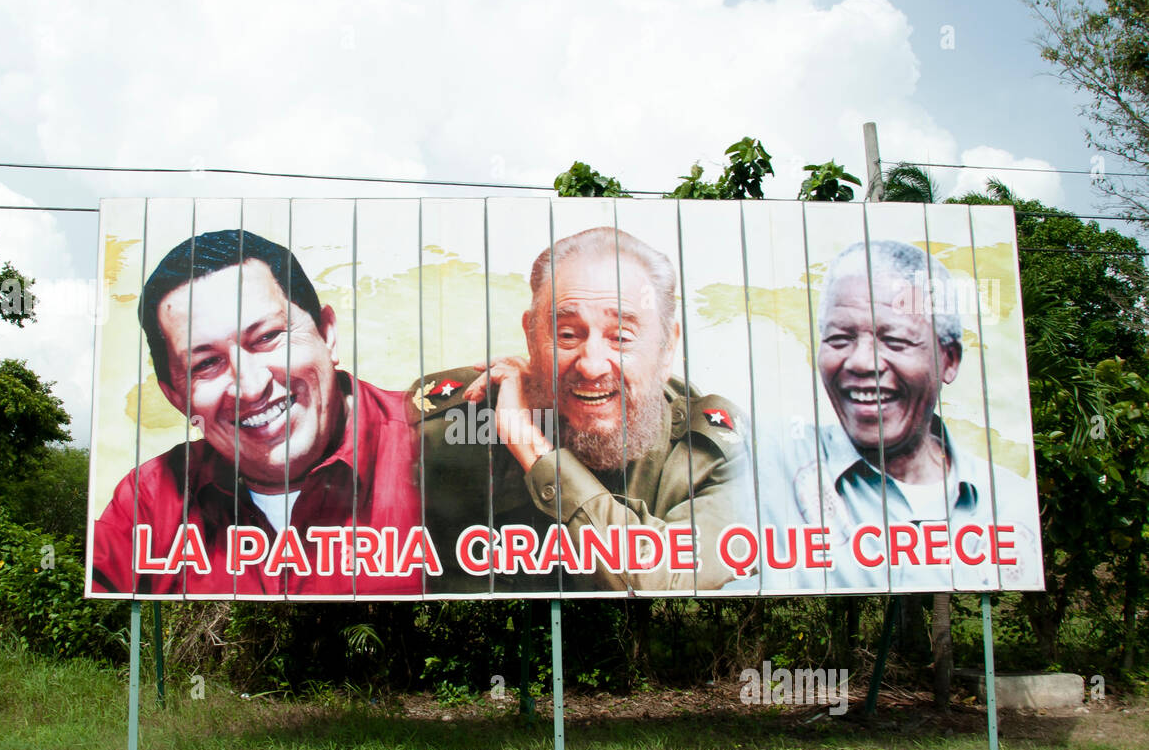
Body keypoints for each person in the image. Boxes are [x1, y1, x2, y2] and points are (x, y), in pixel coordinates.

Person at [413, 226, 753, 594]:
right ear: (531, 336)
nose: (591, 366)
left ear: (667, 347)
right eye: (568, 335)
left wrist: (531, 447)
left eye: (620, 337)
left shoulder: (714, 453)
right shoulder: (456, 417)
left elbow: (659, 581)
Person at [89, 230, 424, 596]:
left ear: (327, 334)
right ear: (174, 395)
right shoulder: (150, 502)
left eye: (267, 337)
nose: (250, 387)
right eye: (206, 363)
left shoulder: (445, 446)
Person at [754, 239, 1042, 591]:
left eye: (896, 341)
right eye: (839, 338)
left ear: (949, 359)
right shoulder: (768, 467)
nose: (862, 362)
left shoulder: (1010, 503)